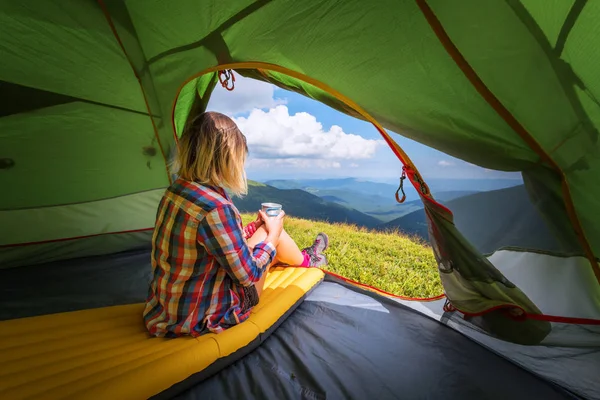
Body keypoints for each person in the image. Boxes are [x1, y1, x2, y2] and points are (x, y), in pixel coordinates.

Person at [143, 111, 329, 337]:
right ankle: (309, 260)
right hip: (201, 317)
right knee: (273, 235)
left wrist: (251, 230)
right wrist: (272, 235)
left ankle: (303, 257)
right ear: (224, 158)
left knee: (264, 233)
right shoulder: (216, 207)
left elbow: (209, 242)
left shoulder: (176, 190)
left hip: (167, 307)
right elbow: (247, 276)